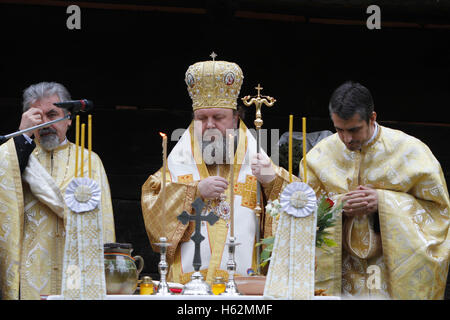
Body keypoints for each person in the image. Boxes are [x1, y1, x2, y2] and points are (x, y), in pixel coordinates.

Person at [141, 58, 292, 285]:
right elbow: (151, 201)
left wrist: (272, 182)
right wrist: (193, 191)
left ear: (235, 118)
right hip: (187, 285)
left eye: (218, 117)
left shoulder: (257, 158)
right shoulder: (179, 160)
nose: (210, 125)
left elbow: (302, 200)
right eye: (202, 118)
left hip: (245, 284)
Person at [301, 81, 450, 299]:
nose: (347, 139)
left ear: (372, 118)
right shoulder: (319, 157)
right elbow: (302, 214)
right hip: (340, 273)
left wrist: (384, 202)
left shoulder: (411, 152)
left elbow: (439, 213)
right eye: (339, 130)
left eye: (354, 130)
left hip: (391, 274)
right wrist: (338, 205)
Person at [0, 82, 115, 299]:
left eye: (52, 114)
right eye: (37, 116)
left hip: (75, 268)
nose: (45, 123)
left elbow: (103, 220)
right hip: (30, 270)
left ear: (69, 119)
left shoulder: (90, 161)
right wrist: (22, 134)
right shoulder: (16, 158)